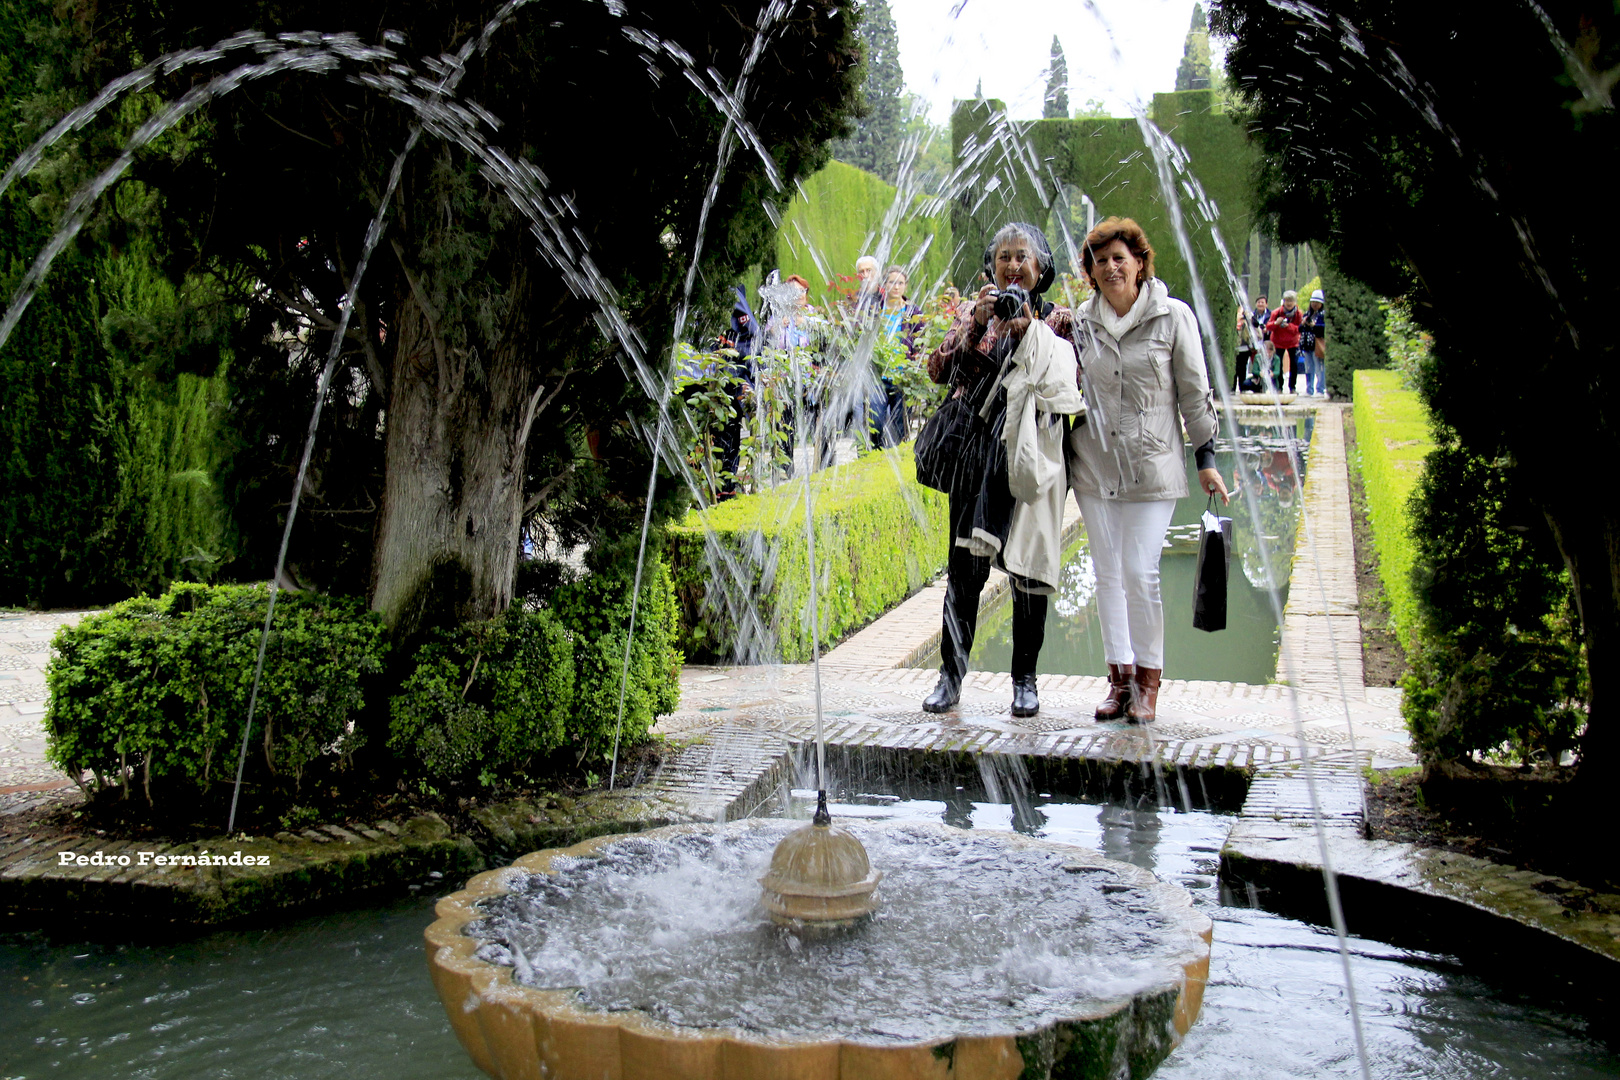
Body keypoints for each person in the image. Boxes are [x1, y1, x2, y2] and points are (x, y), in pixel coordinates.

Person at [1068, 217, 1231, 722]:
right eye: (1101, 261)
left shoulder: (1172, 316)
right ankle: (1118, 680)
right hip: (1094, 468)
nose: (1111, 267)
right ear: (1091, 273)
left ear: (1140, 262)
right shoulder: (1081, 322)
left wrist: (1206, 458)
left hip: (1151, 465)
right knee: (1107, 574)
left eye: (1120, 257)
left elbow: (1193, 390)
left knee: (1141, 573)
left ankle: (1148, 682)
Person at [923, 223, 1085, 718]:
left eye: (1023, 257)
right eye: (1004, 257)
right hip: (974, 457)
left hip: (1029, 458)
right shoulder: (975, 315)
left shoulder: (1059, 320)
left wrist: (1030, 331)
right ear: (992, 266)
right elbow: (938, 370)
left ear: (1041, 269)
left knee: (1028, 572)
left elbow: (1072, 383)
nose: (1013, 265)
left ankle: (1025, 681)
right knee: (964, 570)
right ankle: (950, 678)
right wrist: (977, 322)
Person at [873, 265, 925, 447]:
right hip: (878, 375)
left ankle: (893, 458)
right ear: (884, 284)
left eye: (900, 283)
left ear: (905, 286)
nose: (896, 287)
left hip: (901, 377)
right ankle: (874, 455)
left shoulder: (913, 313)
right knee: (875, 420)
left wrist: (915, 366)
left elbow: (922, 342)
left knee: (899, 425)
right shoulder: (875, 310)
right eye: (892, 282)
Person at [1267, 290, 1304, 393]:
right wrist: (1276, 323)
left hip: (1293, 342)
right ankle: (1279, 387)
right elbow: (1268, 326)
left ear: (1295, 302)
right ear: (1283, 301)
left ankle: (1292, 387)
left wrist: (1289, 327)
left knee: (1294, 365)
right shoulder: (1277, 312)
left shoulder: (1298, 314)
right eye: (1287, 300)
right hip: (1278, 342)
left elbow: (1300, 328)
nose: (1289, 303)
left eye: (1291, 300)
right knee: (1278, 365)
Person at [1299, 289, 1327, 397]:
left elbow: (1323, 331)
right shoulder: (1307, 314)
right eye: (1313, 302)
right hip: (1307, 345)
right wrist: (1303, 324)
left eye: (1317, 302)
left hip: (1317, 345)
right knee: (1308, 368)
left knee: (1319, 368)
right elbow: (1300, 330)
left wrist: (1313, 326)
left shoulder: (1323, 315)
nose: (1315, 304)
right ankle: (1309, 389)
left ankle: (1320, 389)